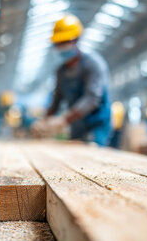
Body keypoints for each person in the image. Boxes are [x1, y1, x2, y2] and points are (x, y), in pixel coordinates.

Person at [32, 14, 112, 145]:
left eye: (64, 42)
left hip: (96, 125)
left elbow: (92, 98)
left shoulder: (93, 64)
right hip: (76, 126)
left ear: (76, 40)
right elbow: (57, 99)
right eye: (58, 43)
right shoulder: (61, 71)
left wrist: (63, 120)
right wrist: (45, 121)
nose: (61, 46)